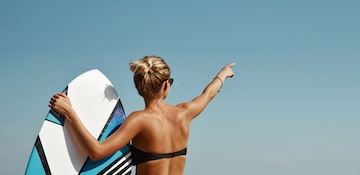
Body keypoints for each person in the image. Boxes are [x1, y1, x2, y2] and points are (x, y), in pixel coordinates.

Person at [49, 55, 235, 175]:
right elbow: (208, 94)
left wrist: (69, 113)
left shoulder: (139, 120)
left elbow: (97, 152)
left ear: (139, 88)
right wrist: (222, 74)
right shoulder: (184, 113)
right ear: (166, 86)